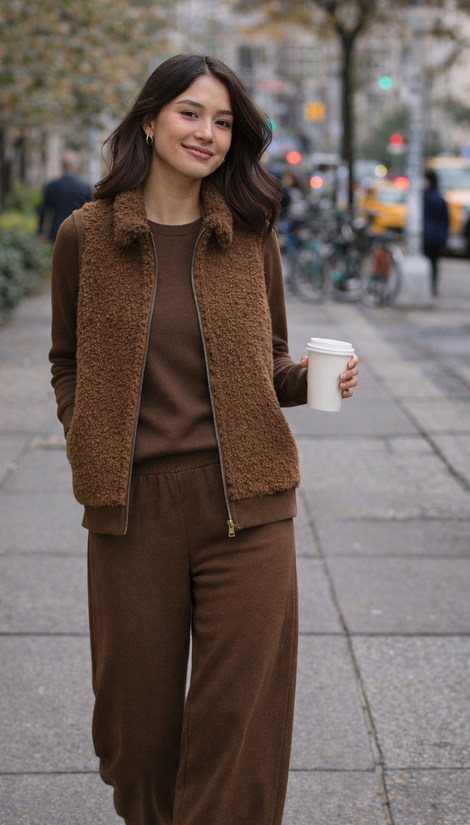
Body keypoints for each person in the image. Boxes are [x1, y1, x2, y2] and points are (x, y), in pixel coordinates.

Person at [49, 53, 359, 825]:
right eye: (192, 112)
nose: (209, 132)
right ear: (149, 120)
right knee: (137, 738)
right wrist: (82, 428)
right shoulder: (86, 236)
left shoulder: (250, 234)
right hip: (133, 510)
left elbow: (273, 362)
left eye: (224, 121)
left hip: (249, 507)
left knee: (238, 730)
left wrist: (316, 381)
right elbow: (67, 361)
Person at [37, 150, 92, 242]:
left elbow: (43, 211)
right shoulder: (85, 187)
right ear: (76, 166)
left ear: (62, 165)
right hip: (78, 231)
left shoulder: (51, 186)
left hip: (57, 232)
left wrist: (40, 233)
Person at [423, 169, 449, 296]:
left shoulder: (424, 196)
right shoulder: (439, 197)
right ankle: (432, 287)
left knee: (426, 261)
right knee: (434, 263)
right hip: (437, 235)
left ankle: (426, 287)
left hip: (426, 235)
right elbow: (445, 220)